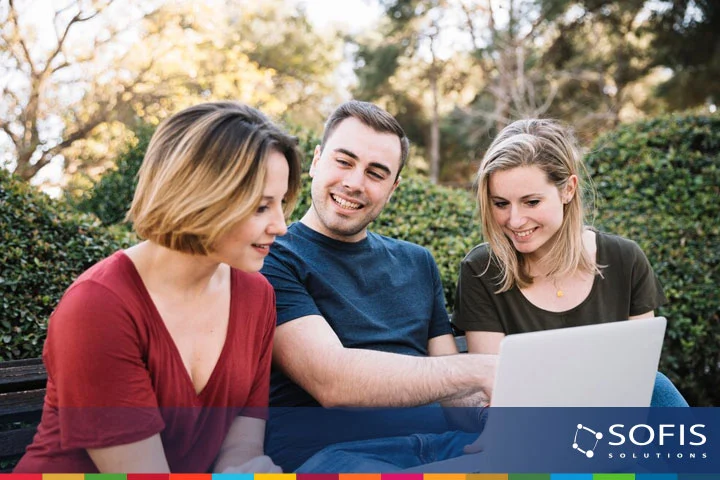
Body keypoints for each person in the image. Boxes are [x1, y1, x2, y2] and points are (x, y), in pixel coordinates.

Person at [15, 101, 303, 473]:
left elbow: (242, 445)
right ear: (201, 198)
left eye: (281, 203)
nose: (281, 225)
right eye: (261, 207)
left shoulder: (256, 296)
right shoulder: (98, 308)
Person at [260, 100, 496, 473]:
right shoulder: (272, 257)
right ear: (317, 161)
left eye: (376, 172)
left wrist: (500, 407)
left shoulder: (418, 262)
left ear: (393, 187)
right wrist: (479, 370)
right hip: (338, 458)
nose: (354, 183)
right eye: (344, 161)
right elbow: (332, 381)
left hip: (446, 449)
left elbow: (456, 398)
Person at [451, 118, 688, 408]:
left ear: (568, 189)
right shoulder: (482, 269)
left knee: (659, 389)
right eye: (501, 204)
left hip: (615, 420)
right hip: (532, 425)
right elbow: (494, 394)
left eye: (531, 202)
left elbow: (637, 378)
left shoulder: (625, 259)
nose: (514, 220)